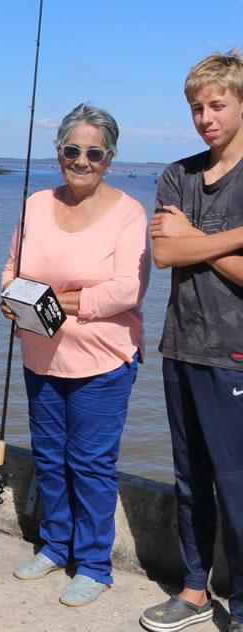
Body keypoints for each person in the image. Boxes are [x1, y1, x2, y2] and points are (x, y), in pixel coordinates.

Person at [0, 104, 149, 606]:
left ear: (109, 158)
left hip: (104, 362)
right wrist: (17, 297)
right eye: (71, 150)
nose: (81, 160)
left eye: (93, 152)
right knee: (49, 457)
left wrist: (50, 298)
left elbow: (126, 291)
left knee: (90, 464)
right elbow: (9, 273)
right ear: (58, 152)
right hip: (40, 358)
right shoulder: (36, 204)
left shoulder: (129, 212)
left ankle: (94, 564)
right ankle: (55, 545)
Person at [141, 49, 243, 632]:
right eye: (197, 108)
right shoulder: (177, 175)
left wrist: (195, 235)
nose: (206, 117)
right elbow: (164, 253)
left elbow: (186, 244)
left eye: (218, 105)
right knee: (189, 482)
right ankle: (194, 589)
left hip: (234, 356)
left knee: (237, 486)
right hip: (179, 346)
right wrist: (228, 240)